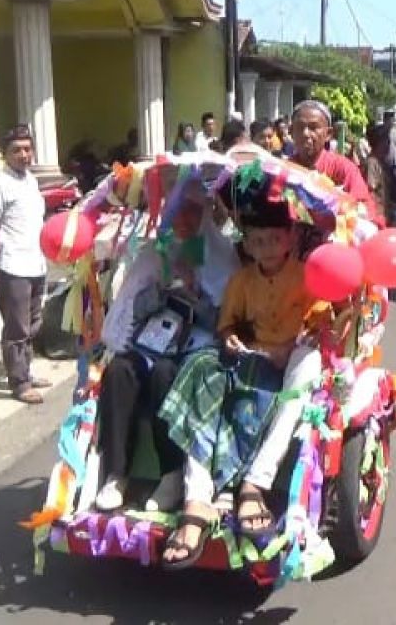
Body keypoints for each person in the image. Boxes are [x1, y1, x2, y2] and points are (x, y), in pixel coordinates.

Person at [158, 195, 321, 570]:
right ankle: (196, 500)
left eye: (273, 239)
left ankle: (255, 485)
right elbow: (227, 325)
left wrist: (293, 346)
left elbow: (320, 325)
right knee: (200, 366)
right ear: (246, 243)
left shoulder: (308, 276)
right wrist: (231, 337)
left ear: (291, 237)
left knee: (308, 363)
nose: (265, 248)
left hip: (290, 364)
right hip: (249, 359)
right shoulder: (241, 279)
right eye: (257, 241)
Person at [93, 190, 241, 512]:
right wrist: (162, 289)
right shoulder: (154, 252)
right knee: (120, 369)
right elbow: (133, 308)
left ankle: (171, 473)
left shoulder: (221, 254)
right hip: (153, 337)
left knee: (166, 374)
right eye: (178, 211)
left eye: (192, 211)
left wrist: (194, 296)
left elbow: (228, 319)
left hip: (197, 344)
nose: (184, 220)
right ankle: (116, 473)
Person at [0, 125, 51, 404]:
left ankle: (27, 372)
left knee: (33, 324)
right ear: (4, 154)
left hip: (36, 264)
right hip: (12, 267)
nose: (23, 154)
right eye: (16, 150)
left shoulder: (30, 180)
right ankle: (19, 383)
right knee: (16, 328)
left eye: (27, 149)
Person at [289, 100, 381, 225]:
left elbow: (366, 210)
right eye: (300, 127)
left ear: (328, 134)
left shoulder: (344, 168)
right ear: (291, 132)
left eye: (313, 127)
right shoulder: (282, 171)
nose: (306, 134)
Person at [364, 123, 394, 219]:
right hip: (377, 216)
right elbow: (370, 190)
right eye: (386, 141)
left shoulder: (381, 162)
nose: (389, 144)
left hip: (385, 213)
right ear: (379, 142)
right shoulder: (372, 163)